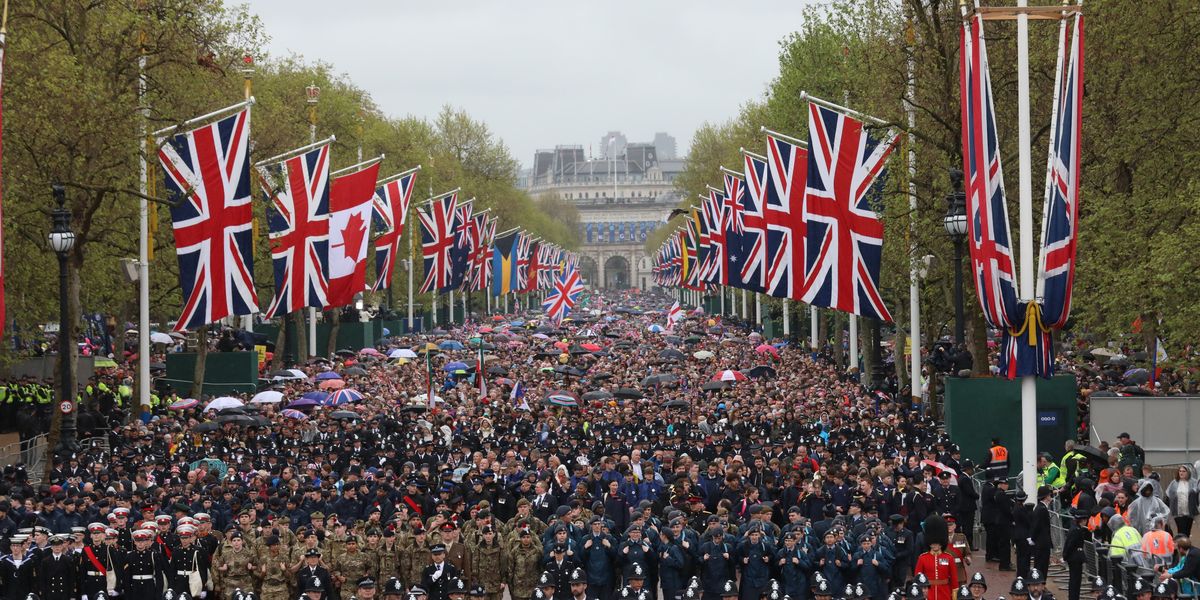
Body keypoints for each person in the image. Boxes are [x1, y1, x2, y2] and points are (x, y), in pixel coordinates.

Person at [913, 515, 957, 600]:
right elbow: (917, 581)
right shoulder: (922, 558)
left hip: (945, 594)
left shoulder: (949, 558)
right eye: (933, 543)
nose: (935, 545)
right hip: (928, 595)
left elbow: (954, 582)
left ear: (942, 542)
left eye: (938, 543)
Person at [1063, 509, 1092, 600]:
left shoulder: (1075, 528)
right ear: (1082, 520)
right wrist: (1065, 556)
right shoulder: (1076, 530)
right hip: (1075, 558)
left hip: (1074, 557)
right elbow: (1070, 545)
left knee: (1075, 580)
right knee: (1075, 580)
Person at [1164, 466, 1198, 537]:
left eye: (1183, 471)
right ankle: (1182, 545)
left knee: (1187, 531)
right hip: (1178, 512)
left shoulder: (1193, 482)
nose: (1181, 473)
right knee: (1181, 531)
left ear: (1188, 472)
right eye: (1180, 471)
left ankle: (1185, 546)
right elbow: (1168, 495)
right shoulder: (1174, 483)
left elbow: (1197, 493)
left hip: (1190, 512)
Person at [1032, 487, 1054, 577]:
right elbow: (1037, 526)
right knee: (1042, 565)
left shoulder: (1040, 508)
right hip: (1042, 542)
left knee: (1041, 564)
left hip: (1041, 542)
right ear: (1046, 496)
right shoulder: (1042, 509)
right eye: (1049, 495)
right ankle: (1040, 584)